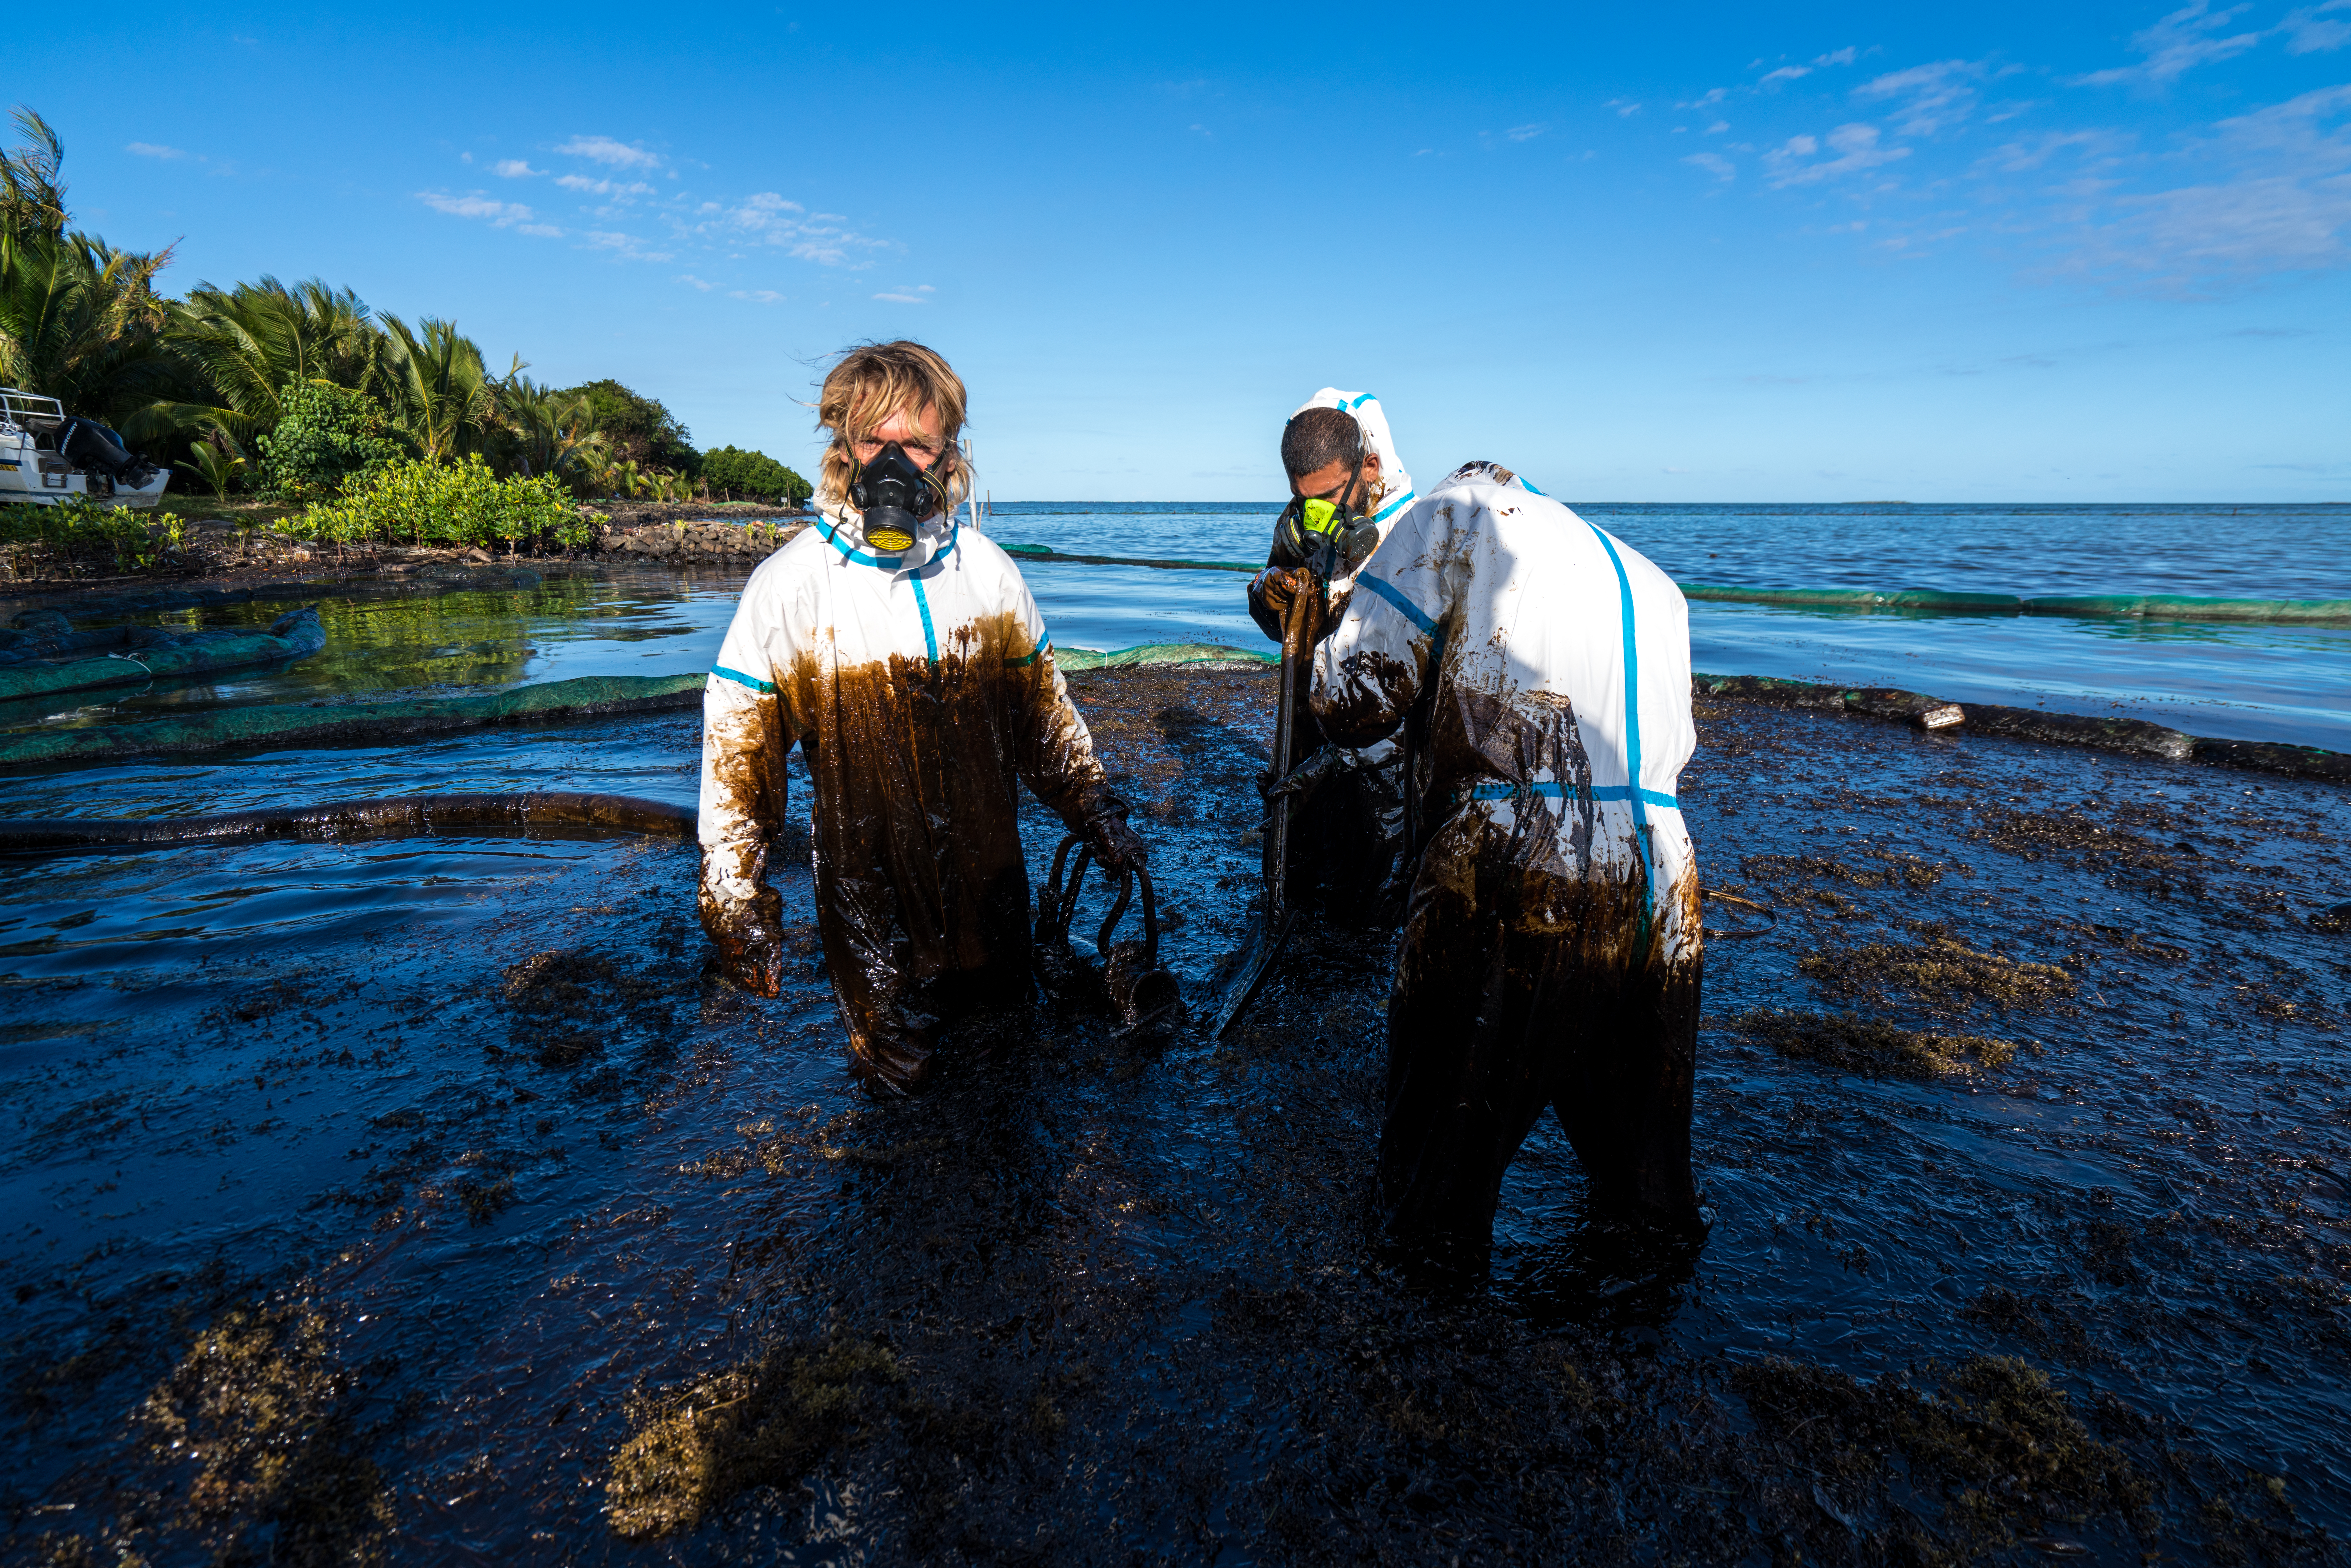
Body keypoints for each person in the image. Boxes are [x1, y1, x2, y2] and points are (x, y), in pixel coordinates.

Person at [1261, 459, 1703, 1274]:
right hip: (1666, 873)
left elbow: (1355, 702)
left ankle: (1426, 1367)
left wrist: (1312, 628)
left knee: (1435, 1177)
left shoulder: (1448, 517)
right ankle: (1631, 1360)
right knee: (1646, 1189)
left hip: (1515, 859)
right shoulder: (1650, 579)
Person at [696, 340, 1146, 1093]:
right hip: (867, 904)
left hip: (991, 889)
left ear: (948, 454)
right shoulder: (793, 587)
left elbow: (1043, 715)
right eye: (875, 438)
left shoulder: (987, 572)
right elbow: (737, 753)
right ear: (843, 444)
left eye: (915, 442)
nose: (892, 461)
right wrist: (735, 904)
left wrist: (1093, 808)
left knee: (1007, 1075)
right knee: (896, 1101)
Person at [1244, 391, 1419, 916]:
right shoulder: (1301, 520)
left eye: (1327, 499)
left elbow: (1415, 686)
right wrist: (1266, 589)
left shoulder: (1415, 537)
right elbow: (1275, 623)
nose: (1315, 517)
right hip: (1308, 732)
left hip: (1384, 757)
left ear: (1370, 466)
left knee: (1371, 896)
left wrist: (1339, 759)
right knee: (1300, 876)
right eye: (1303, 500)